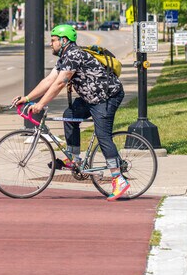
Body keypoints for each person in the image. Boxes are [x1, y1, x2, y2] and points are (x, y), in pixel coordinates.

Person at [11, 24, 128, 201]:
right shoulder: (64, 57)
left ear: (64, 40)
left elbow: (60, 83)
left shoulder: (73, 55)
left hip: (107, 97)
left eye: (53, 40)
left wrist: (41, 104)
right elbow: (50, 80)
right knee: (69, 115)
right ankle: (75, 159)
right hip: (90, 98)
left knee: (103, 135)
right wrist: (27, 98)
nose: (51, 43)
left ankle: (119, 179)